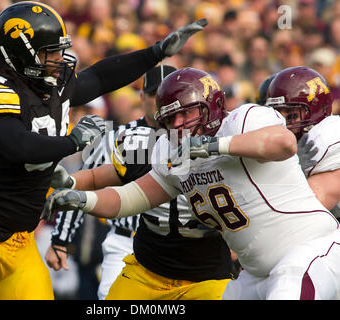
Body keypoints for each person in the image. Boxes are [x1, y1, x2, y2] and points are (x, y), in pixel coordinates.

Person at [0, 1, 208, 300]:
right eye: (47, 52)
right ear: (19, 53)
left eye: (57, 49)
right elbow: (18, 146)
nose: (57, 58)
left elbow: (101, 78)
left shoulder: (50, 84)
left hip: (21, 238)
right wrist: (73, 141)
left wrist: (156, 53)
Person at [43, 67, 340, 300]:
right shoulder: (171, 151)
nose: (178, 125)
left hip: (310, 250)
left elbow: (283, 142)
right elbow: (132, 197)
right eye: (170, 119)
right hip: (257, 273)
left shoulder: (244, 119)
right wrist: (84, 201)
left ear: (213, 106)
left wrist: (215, 146)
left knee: (289, 285)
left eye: (186, 112)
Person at [45, 65, 234, 300]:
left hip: (205, 264)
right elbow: (98, 182)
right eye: (166, 107)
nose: (177, 121)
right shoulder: (138, 143)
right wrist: (63, 227)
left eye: (186, 110)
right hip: (140, 253)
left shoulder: (233, 141)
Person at [265, 66, 340, 222]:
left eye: (292, 115)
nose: (283, 123)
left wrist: (291, 166)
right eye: (277, 114)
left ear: (318, 109)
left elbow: (298, 214)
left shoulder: (327, 135)